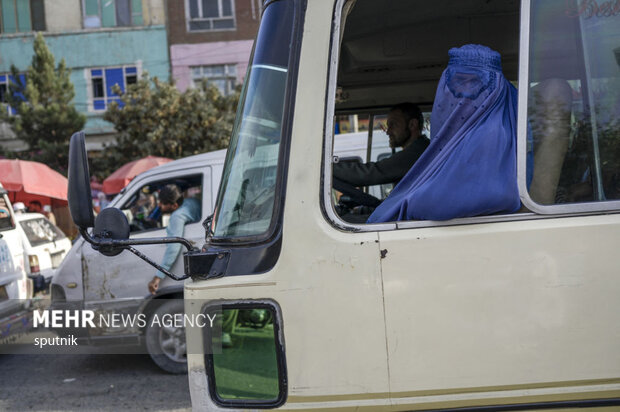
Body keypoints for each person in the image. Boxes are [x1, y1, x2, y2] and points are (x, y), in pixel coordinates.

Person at [368, 44, 521, 223]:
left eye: (474, 85)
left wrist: (405, 203)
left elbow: (441, 203)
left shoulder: (490, 135)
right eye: (456, 85)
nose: (461, 96)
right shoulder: (477, 134)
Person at [333, 103, 430, 187]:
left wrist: (329, 169)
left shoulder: (417, 153)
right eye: (388, 126)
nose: (388, 132)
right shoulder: (421, 148)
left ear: (412, 124)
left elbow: (371, 173)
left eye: (393, 125)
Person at [147, 184, 201, 294]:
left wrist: (158, 277)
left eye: (163, 203)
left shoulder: (177, 216)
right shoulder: (192, 201)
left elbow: (173, 247)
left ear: (175, 205)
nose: (159, 205)